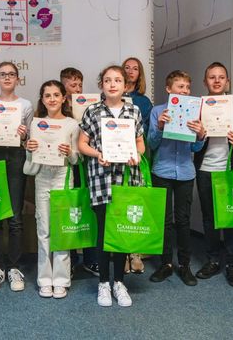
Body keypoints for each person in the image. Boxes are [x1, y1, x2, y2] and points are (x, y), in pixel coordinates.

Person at [78, 65, 145, 307]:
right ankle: (104, 283)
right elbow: (82, 144)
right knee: (104, 232)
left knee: (122, 231)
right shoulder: (92, 110)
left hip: (126, 179)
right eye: (107, 80)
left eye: (117, 80)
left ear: (125, 85)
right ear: (101, 85)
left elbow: (140, 142)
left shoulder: (134, 110)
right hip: (101, 179)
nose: (112, 84)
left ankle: (119, 282)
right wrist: (98, 154)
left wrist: (136, 155)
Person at [148, 70, 206, 286]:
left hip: (185, 172)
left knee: (183, 220)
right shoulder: (157, 111)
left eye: (187, 87)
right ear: (169, 89)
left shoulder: (195, 111)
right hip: (161, 171)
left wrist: (200, 135)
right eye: (180, 87)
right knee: (164, 221)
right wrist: (160, 127)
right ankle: (165, 264)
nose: (185, 91)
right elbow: (151, 144)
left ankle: (184, 265)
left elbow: (195, 148)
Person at [0, 61, 33, 292]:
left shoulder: (26, 105)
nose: (7, 77)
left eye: (11, 74)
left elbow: (29, 138)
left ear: (18, 79)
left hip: (16, 158)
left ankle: (13, 267)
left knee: (15, 217)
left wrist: (24, 135)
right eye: (2, 74)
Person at [25, 80, 79, 299]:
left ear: (64, 98)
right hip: (42, 179)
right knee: (44, 230)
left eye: (56, 95)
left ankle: (61, 279)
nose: (52, 99)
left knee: (61, 230)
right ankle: (45, 279)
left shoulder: (72, 124)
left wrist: (69, 152)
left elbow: (77, 159)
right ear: (42, 99)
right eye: (47, 95)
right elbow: (31, 160)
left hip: (63, 179)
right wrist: (29, 149)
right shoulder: (36, 124)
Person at [194, 62, 233, 287]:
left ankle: (232, 264)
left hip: (230, 168)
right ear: (205, 82)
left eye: (221, 77)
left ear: (227, 81)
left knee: (232, 217)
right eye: (212, 77)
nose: (216, 81)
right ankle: (213, 260)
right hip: (205, 169)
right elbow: (188, 140)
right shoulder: (197, 107)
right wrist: (198, 135)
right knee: (209, 217)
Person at [60, 67, 99, 277]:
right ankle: (72, 261)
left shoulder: (91, 107)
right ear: (63, 86)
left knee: (89, 209)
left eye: (80, 84)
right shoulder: (57, 107)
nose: (77, 88)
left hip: (88, 163)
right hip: (67, 165)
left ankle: (91, 260)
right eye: (73, 84)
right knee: (71, 210)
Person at [122, 57, 153, 274]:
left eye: (135, 69)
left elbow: (147, 134)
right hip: (114, 161)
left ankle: (135, 253)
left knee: (135, 207)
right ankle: (121, 253)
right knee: (118, 207)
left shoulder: (143, 102)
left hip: (135, 159)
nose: (130, 72)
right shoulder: (107, 98)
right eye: (127, 68)